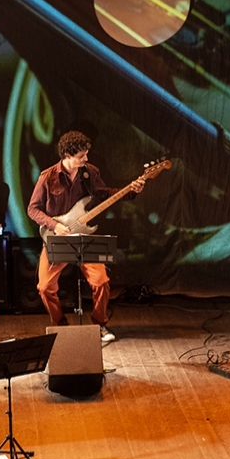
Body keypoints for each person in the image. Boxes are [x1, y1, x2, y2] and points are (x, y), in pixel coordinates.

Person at [27, 130, 145, 342]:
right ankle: (60, 325)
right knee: (44, 287)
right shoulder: (48, 177)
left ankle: (99, 325)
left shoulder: (89, 173)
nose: (86, 159)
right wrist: (55, 224)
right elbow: (33, 210)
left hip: (84, 238)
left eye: (86, 155)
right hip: (57, 239)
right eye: (82, 156)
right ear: (67, 155)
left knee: (101, 282)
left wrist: (131, 190)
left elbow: (105, 194)